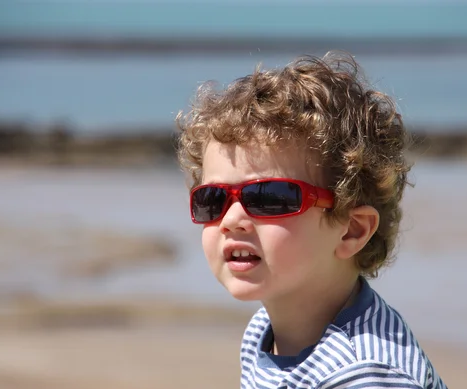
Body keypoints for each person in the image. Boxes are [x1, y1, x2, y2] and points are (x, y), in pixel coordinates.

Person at [177, 52, 447, 389]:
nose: (232, 219)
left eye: (269, 198)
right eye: (212, 199)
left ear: (352, 230)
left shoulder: (366, 375)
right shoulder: (265, 329)